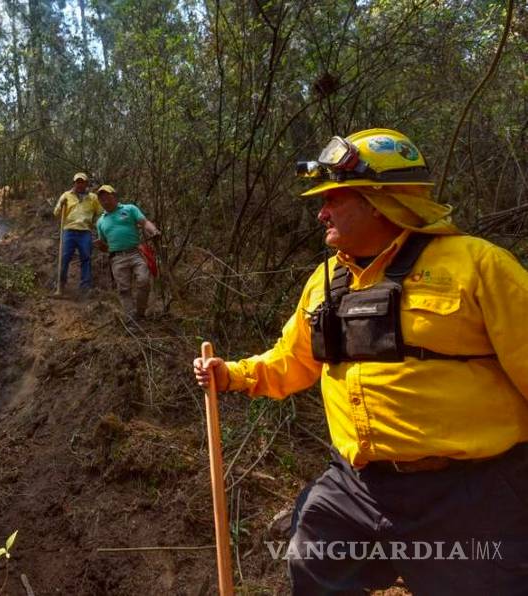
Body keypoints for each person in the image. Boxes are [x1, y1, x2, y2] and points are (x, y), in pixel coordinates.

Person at [192, 128, 528, 594]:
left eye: (335, 198)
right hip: (358, 488)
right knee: (312, 557)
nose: (320, 211)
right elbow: (291, 361)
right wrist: (230, 375)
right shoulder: (325, 281)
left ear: (379, 201)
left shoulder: (480, 267)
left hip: (469, 493)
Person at [95, 184, 160, 320]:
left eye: (107, 196)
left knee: (144, 281)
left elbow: (144, 222)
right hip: (117, 258)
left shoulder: (129, 209)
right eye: (101, 198)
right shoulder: (100, 221)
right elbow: (105, 247)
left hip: (136, 253)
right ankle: (131, 319)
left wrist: (153, 231)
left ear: (114, 196)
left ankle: (140, 313)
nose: (104, 200)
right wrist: (100, 246)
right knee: (124, 290)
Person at [53, 172, 103, 294]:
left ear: (86, 184)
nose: (79, 184)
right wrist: (61, 205)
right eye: (77, 182)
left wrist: (98, 227)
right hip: (69, 230)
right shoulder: (66, 195)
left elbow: (101, 213)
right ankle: (60, 283)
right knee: (64, 257)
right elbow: (56, 213)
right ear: (74, 183)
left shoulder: (93, 198)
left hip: (85, 231)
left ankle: (85, 286)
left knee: (86, 258)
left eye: (82, 182)